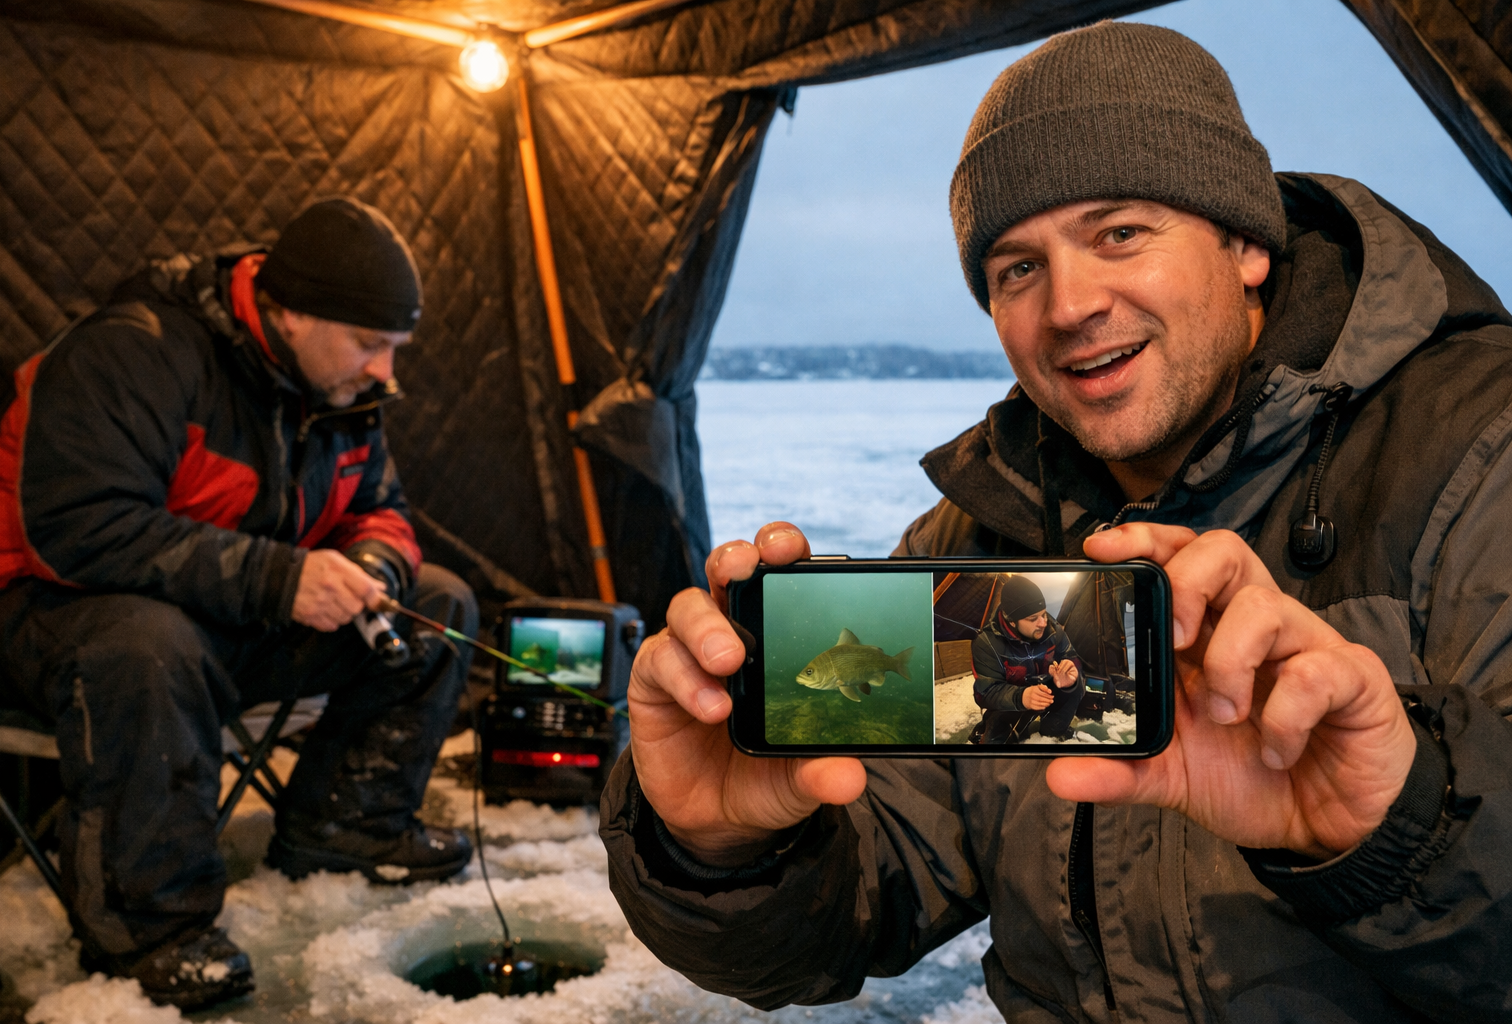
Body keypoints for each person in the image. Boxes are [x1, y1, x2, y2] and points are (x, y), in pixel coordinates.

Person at [597, 21, 1512, 1022]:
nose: (1069, 304)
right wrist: (717, 846)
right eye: (1015, 269)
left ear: (1246, 241)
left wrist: (1396, 825)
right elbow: (857, 906)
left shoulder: (1483, 452)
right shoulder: (974, 539)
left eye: (1118, 232)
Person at [0, 198, 478, 1009]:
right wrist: (281, 580)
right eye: (371, 344)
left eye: (395, 348)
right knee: (146, 644)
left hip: (214, 619)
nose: (387, 371)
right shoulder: (133, 353)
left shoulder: (344, 389)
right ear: (293, 313)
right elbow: (75, 528)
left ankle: (347, 826)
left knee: (437, 604)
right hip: (29, 612)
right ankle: (152, 929)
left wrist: (372, 567)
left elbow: (382, 508)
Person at [970, 575, 1084, 742]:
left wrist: (1070, 675)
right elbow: (985, 692)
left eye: (1043, 614)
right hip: (1012, 704)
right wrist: (1021, 697)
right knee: (996, 745)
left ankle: (1053, 731)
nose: (1043, 623)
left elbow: (1072, 657)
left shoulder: (1054, 630)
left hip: (1051, 693)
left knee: (1078, 685)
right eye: (1033, 619)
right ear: (1012, 621)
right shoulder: (986, 643)